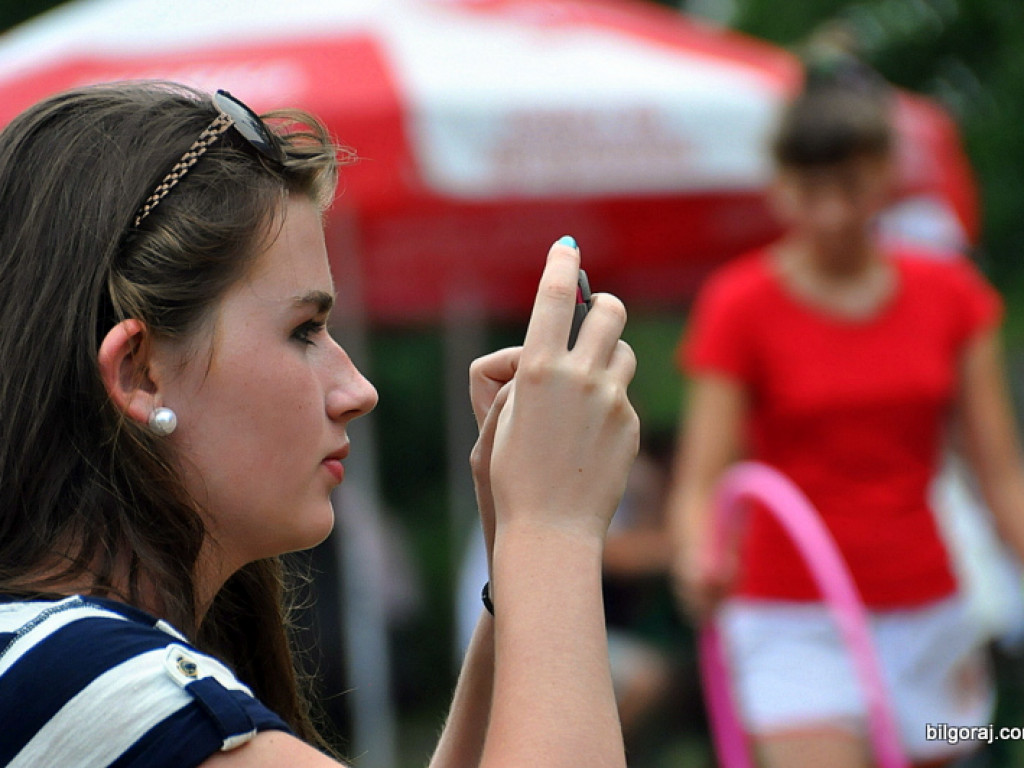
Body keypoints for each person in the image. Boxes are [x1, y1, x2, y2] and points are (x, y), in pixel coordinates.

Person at [0, 81, 639, 767]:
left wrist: (515, 556)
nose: (357, 390)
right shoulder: (100, 687)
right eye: (305, 329)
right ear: (139, 372)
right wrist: (554, 530)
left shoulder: (45, 660)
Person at [667, 65, 1024, 768]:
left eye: (849, 188)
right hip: (790, 609)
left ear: (886, 175)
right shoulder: (739, 304)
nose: (829, 213)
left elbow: (1000, 474)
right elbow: (701, 479)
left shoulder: (952, 295)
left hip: (926, 606)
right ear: (779, 186)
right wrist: (695, 555)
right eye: (808, 192)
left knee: (964, 749)